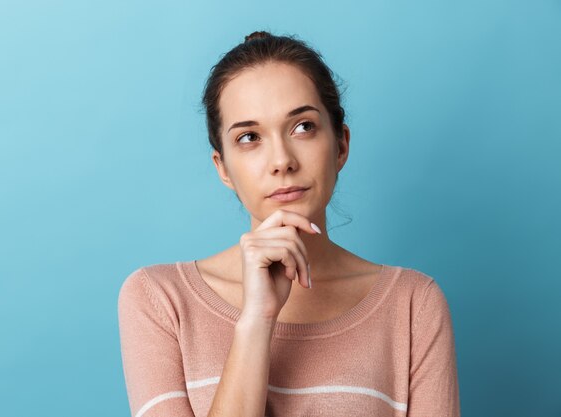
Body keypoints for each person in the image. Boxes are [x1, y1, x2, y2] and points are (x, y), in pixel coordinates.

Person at [118, 30, 461, 417]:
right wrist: (256, 321)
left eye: (303, 127)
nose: (282, 160)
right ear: (223, 168)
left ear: (341, 145)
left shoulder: (413, 305)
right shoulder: (159, 300)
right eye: (249, 137)